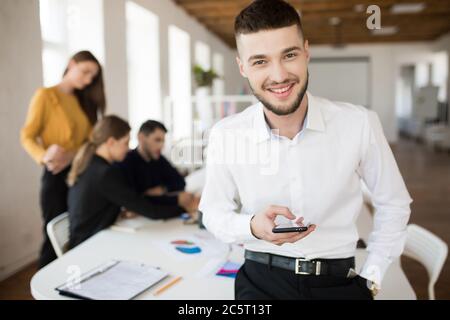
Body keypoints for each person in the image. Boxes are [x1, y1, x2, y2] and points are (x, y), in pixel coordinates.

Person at [199, 0, 412, 300]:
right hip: (259, 282)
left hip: (339, 283)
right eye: (260, 61)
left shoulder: (359, 123)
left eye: (289, 55)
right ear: (242, 67)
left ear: (306, 52)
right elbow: (213, 212)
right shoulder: (226, 135)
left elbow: (394, 204)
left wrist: (371, 277)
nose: (279, 75)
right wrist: (251, 227)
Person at [21, 51, 105, 268]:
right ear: (71, 63)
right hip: (56, 175)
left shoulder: (83, 102)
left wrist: (73, 155)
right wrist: (43, 155)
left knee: (77, 231)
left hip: (79, 175)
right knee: (54, 236)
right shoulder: (46, 96)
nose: (87, 80)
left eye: (92, 77)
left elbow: (90, 144)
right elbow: (27, 135)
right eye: (85, 72)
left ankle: (74, 281)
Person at [67, 115, 196, 249]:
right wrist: (184, 208)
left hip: (86, 238)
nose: (128, 149)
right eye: (125, 143)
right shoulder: (106, 173)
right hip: (88, 246)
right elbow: (150, 210)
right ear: (111, 142)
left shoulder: (91, 164)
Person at [119, 120, 198, 209]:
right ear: (141, 138)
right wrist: (176, 199)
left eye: (163, 141)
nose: (161, 146)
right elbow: (136, 199)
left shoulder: (159, 160)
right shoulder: (126, 161)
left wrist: (163, 189)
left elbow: (180, 182)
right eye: (157, 140)